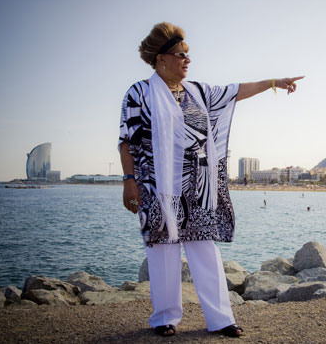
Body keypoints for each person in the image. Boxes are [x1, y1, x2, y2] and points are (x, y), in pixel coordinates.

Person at [118, 22, 303, 338]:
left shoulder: (198, 92)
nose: (187, 61)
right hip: (156, 186)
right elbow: (126, 141)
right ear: (161, 58)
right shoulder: (140, 93)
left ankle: (221, 319)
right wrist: (129, 181)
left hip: (198, 186)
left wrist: (274, 82)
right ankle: (165, 318)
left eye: (188, 55)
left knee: (205, 252)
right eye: (180, 55)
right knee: (162, 251)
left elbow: (236, 91)